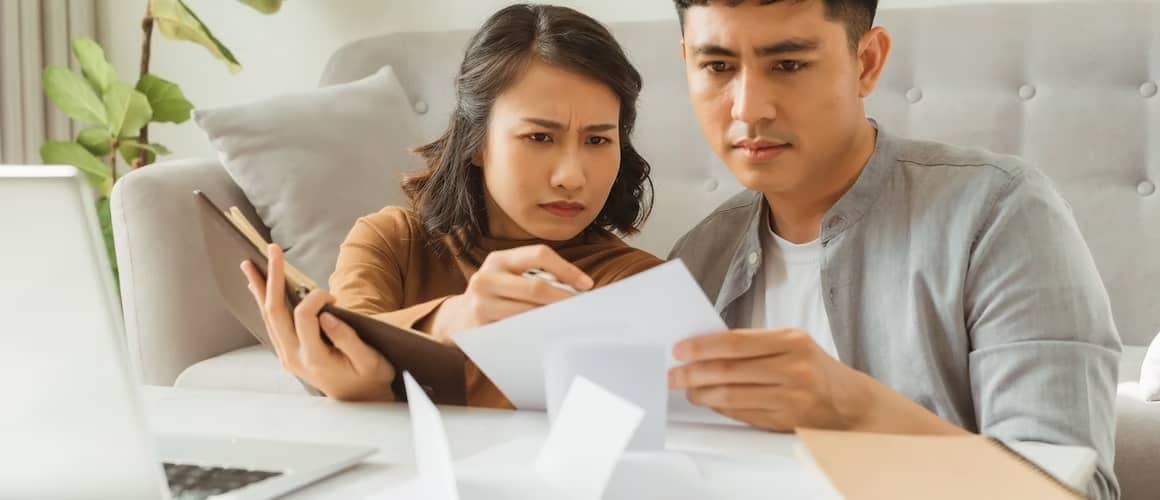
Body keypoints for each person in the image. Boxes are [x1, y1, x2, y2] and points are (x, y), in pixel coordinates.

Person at [663, 1, 1120, 498]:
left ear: (868, 62)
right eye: (718, 67)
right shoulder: (694, 259)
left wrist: (856, 410)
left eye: (789, 64)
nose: (749, 108)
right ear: (687, 61)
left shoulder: (1000, 212)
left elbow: (1076, 492)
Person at [240, 4, 662, 409]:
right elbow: (348, 352)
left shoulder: (635, 284)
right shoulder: (391, 242)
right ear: (476, 141)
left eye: (597, 140)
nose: (571, 176)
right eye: (539, 137)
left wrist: (382, 382)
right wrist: (452, 321)